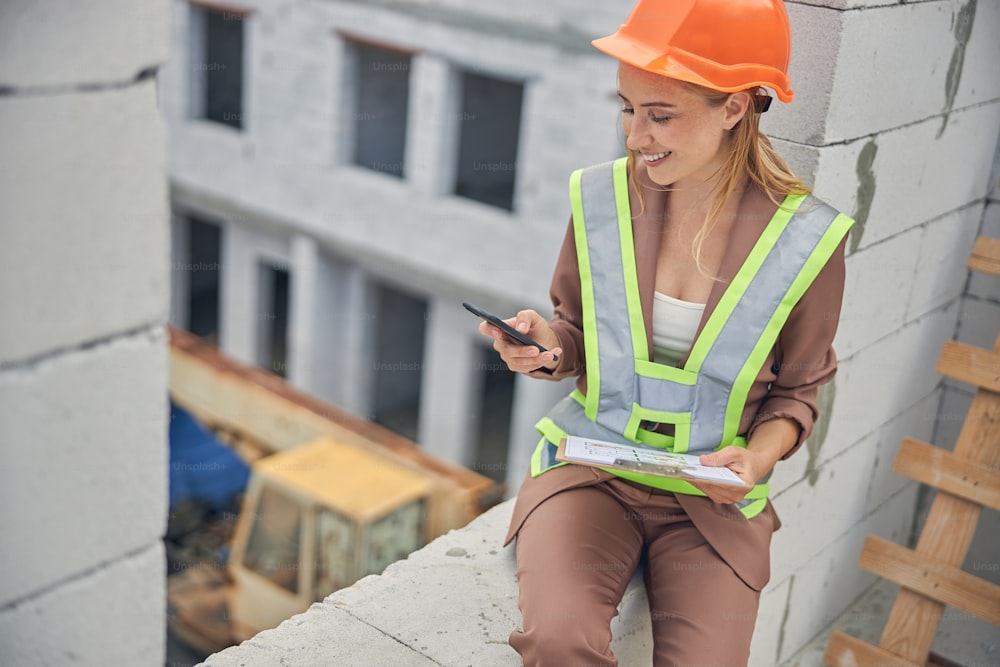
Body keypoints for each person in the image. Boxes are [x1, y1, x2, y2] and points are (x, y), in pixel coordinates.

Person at [476, 1, 855, 665]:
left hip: (709, 505)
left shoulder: (807, 241)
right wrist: (545, 347)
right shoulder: (600, 199)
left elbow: (799, 394)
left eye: (659, 114)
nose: (633, 135)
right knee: (560, 640)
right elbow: (577, 335)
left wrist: (755, 460)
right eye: (627, 107)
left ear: (734, 107)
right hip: (593, 472)